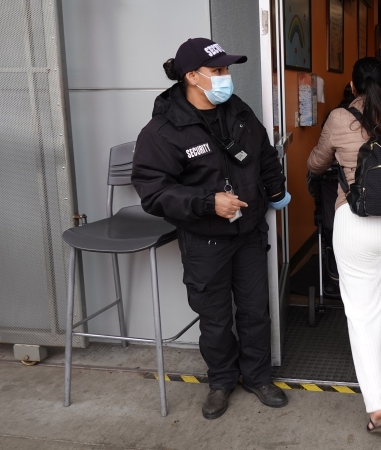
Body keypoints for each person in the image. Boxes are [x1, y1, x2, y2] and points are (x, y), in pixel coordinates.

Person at [131, 37, 290, 420]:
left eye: (226, 70)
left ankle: (257, 376)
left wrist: (276, 189)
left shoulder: (239, 112)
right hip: (205, 239)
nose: (226, 77)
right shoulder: (162, 131)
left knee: (255, 311)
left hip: (249, 232)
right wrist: (207, 202)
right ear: (192, 77)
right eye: (218, 71)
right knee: (215, 318)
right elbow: (154, 193)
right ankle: (221, 381)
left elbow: (264, 156)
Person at [307, 57, 381, 434]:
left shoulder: (339, 118)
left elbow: (316, 163)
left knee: (361, 313)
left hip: (358, 224)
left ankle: (377, 407)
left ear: (353, 87)